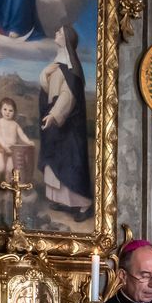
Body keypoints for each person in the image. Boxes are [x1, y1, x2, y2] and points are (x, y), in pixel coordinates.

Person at [39, 25, 93, 220]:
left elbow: (67, 96)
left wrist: (54, 114)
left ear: (67, 39)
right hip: (55, 120)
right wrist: (45, 74)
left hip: (68, 125)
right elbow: (49, 88)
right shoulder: (58, 63)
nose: (56, 33)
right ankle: (64, 201)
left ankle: (83, 205)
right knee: (56, 160)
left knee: (70, 162)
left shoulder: (71, 68)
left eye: (59, 31)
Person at [0, 97, 33, 194]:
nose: (7, 112)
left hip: (13, 150)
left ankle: (7, 187)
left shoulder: (15, 124)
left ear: (14, 112)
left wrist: (28, 141)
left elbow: (22, 135)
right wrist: (5, 146)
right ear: (0, 109)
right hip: (1, 148)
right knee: (0, 168)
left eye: (10, 110)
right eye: (5, 109)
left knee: (10, 169)